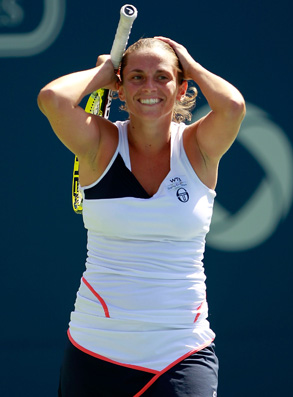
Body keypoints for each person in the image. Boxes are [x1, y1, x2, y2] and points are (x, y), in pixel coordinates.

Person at [38, 36, 245, 396]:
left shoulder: (199, 147)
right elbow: (52, 99)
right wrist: (102, 72)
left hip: (181, 351)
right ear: (119, 88)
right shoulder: (98, 144)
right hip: (95, 350)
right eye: (135, 77)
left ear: (182, 89)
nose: (149, 86)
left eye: (162, 76)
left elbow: (232, 106)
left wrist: (191, 66)